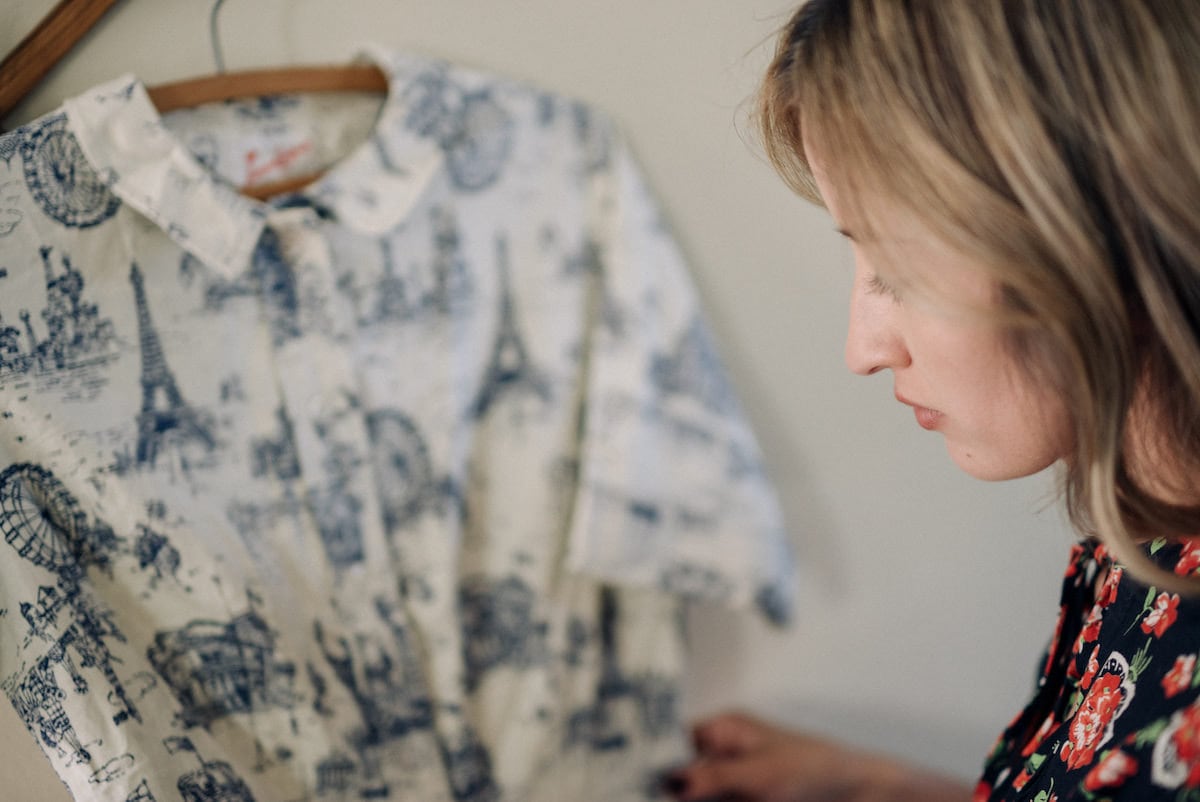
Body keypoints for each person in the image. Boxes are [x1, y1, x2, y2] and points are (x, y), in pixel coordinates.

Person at [664, 1, 1200, 800]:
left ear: (1090, 219)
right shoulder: (1142, 546)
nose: (864, 350)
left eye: (897, 267)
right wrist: (868, 782)